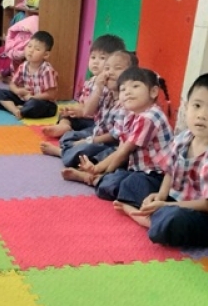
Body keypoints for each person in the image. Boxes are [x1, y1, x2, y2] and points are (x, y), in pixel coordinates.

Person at [118, 73, 208, 248]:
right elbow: (170, 171)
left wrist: (166, 205)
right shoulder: (184, 137)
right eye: (197, 106)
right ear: (186, 106)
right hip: (175, 200)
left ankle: (144, 218)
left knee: (174, 220)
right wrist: (160, 195)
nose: (202, 115)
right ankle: (155, 216)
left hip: (207, 219)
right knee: (132, 182)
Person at [67, 67, 173, 207]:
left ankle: (95, 179)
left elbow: (124, 152)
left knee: (127, 183)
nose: (127, 92)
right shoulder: (131, 115)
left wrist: (105, 172)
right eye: (123, 89)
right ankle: (96, 178)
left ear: (153, 92)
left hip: (158, 176)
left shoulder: (149, 117)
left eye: (135, 86)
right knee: (118, 178)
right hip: (138, 169)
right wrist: (97, 168)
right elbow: (120, 149)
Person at [41, 50, 136, 167]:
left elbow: (114, 136)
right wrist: (99, 88)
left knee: (88, 150)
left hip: (109, 143)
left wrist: (89, 140)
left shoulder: (126, 103)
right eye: (107, 68)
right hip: (96, 133)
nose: (110, 72)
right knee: (68, 138)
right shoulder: (106, 92)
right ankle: (70, 153)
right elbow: (87, 111)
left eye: (117, 68)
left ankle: (63, 153)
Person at [42, 34, 126, 137]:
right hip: (85, 116)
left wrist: (82, 112)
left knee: (88, 132)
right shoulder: (89, 82)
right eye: (93, 57)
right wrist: (74, 110)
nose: (95, 62)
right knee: (65, 115)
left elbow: (101, 111)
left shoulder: (111, 85)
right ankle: (64, 126)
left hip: (98, 122)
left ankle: (75, 135)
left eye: (102, 58)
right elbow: (82, 103)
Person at [0, 30, 58, 119]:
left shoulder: (47, 70)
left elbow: (51, 94)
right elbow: (12, 84)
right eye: (29, 46)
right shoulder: (23, 66)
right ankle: (16, 110)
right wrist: (17, 91)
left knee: (34, 105)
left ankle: (21, 109)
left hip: (42, 102)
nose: (31, 50)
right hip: (24, 99)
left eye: (37, 49)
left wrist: (32, 97)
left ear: (46, 55)